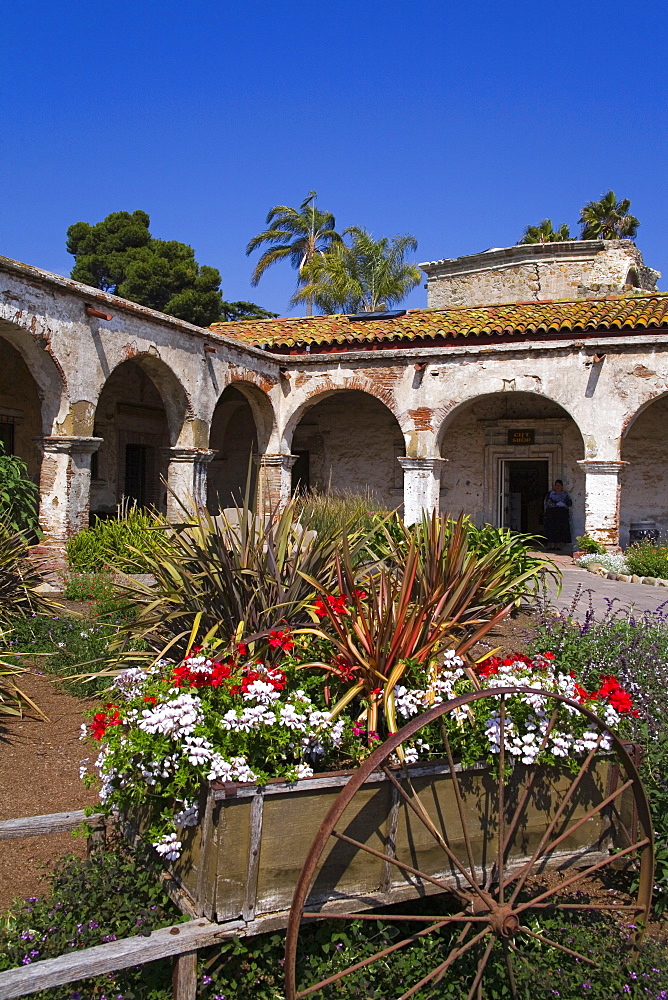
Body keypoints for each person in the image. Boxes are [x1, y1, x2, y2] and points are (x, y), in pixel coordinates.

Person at [543, 479, 572, 549]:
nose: (557, 487)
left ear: (562, 486)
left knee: (559, 530)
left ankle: (558, 546)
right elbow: (546, 503)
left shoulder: (565, 495)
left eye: (559, 485)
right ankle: (551, 545)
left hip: (561, 515)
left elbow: (569, 503)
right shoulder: (550, 494)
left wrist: (563, 504)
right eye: (556, 485)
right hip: (551, 514)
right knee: (550, 529)